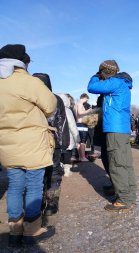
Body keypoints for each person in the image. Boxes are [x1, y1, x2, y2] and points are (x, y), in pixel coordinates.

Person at [0, 44, 56, 246]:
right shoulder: (27, 81)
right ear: (22, 61)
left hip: (7, 145)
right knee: (33, 184)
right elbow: (50, 106)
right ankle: (32, 230)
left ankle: (15, 232)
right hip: (32, 142)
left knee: (14, 185)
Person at [88, 59, 136, 212]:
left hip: (115, 129)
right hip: (119, 129)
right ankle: (127, 193)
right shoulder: (121, 84)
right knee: (123, 163)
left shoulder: (116, 82)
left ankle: (124, 199)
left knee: (117, 163)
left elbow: (92, 87)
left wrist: (95, 76)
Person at [32, 73, 70, 217]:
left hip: (47, 142)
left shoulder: (53, 99)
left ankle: (48, 201)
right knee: (44, 172)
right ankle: (45, 200)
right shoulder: (34, 98)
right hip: (42, 142)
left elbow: (62, 121)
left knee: (48, 172)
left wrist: (62, 143)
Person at [58, 93, 80, 177]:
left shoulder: (53, 109)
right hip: (67, 136)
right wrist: (77, 138)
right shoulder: (67, 110)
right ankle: (66, 171)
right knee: (67, 153)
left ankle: (59, 168)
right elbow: (72, 125)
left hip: (56, 137)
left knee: (58, 153)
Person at [74, 93, 92, 162]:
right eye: (87, 99)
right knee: (83, 142)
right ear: (85, 98)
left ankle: (80, 157)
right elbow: (80, 113)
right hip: (82, 125)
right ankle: (83, 157)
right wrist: (88, 111)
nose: (87, 101)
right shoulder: (80, 103)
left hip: (77, 124)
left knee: (78, 142)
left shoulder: (76, 104)